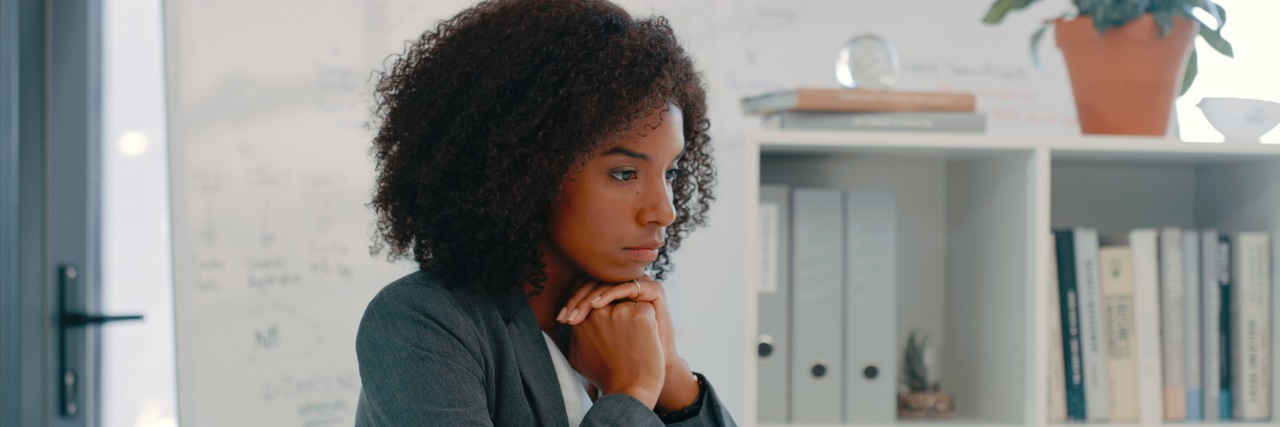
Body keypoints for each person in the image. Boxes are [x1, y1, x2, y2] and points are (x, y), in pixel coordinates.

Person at [355, 0, 734, 425]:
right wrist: (631, 391)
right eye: (625, 173)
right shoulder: (422, 322)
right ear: (528, 171)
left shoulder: (628, 326)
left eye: (670, 172)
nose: (664, 211)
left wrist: (673, 378)